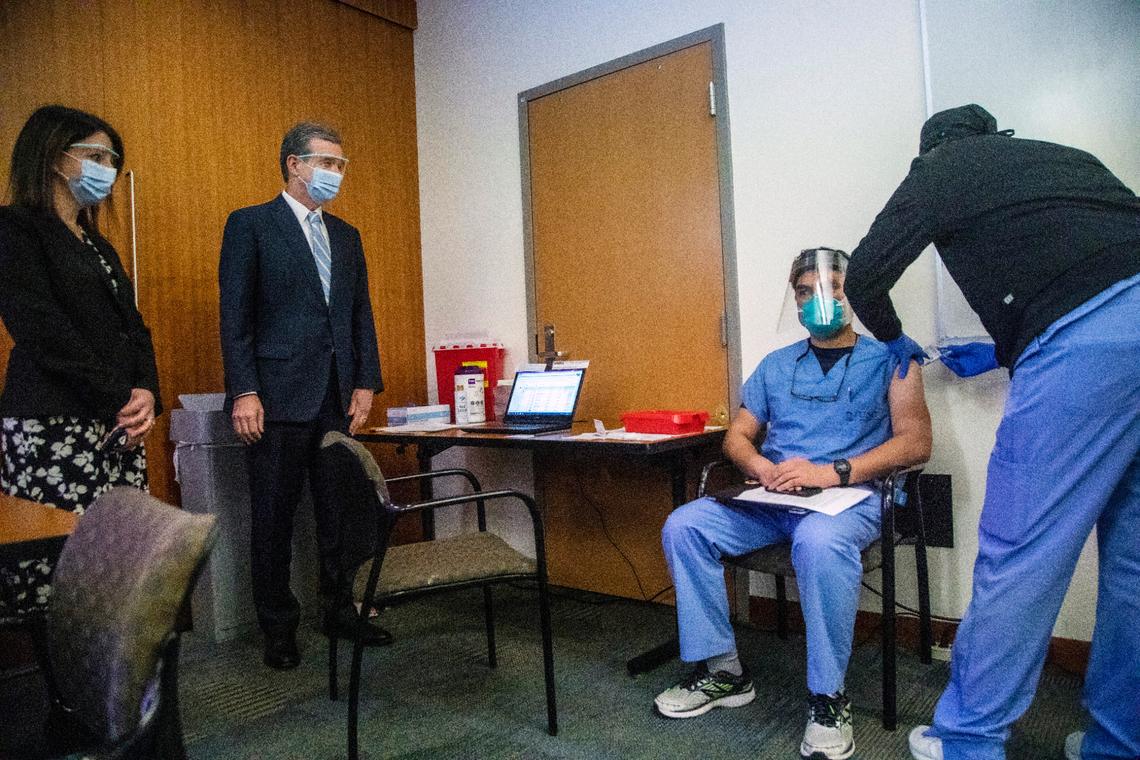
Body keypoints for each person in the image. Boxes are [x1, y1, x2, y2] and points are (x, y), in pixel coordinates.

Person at [844, 104, 1140, 760]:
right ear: (994, 136)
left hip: (1081, 340)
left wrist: (895, 341)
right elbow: (1101, 261)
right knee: (1136, 565)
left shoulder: (940, 170)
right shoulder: (1067, 158)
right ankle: (1118, 745)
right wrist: (1010, 345)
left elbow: (864, 276)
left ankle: (966, 740)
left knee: (1020, 557)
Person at [655, 248, 932, 760]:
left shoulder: (892, 358)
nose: (816, 301)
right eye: (804, 292)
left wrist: (833, 472)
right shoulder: (776, 365)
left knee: (820, 541)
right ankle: (723, 671)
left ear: (851, 295)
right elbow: (738, 435)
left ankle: (828, 698)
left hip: (849, 498)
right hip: (773, 498)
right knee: (685, 525)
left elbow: (916, 443)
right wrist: (759, 468)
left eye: (829, 289)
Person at [219, 122, 386, 670]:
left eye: (341, 166)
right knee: (274, 517)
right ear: (294, 163)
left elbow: (360, 314)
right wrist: (244, 389)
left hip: (336, 396)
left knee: (339, 511)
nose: (335, 174)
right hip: (276, 397)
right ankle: (278, 628)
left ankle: (339, 609)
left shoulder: (347, 235)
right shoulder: (251, 225)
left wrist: (365, 383)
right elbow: (235, 316)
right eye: (326, 163)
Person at [0, 105, 159, 614]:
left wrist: (147, 393)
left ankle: (112, 683)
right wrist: (121, 398)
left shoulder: (96, 243)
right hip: (54, 425)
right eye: (94, 155)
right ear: (53, 158)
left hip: (115, 427)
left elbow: (133, 328)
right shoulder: (15, 230)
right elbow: (43, 331)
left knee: (117, 564)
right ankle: (69, 690)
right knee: (62, 571)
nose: (106, 169)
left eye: (111, 159)